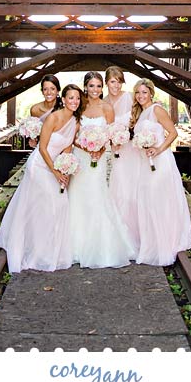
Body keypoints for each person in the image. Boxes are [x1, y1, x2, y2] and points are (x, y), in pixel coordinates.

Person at [0, 83, 82, 273]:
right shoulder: (54, 117)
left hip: (56, 165)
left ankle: (50, 250)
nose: (74, 101)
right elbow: (42, 148)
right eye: (71, 98)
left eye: (77, 98)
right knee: (46, 204)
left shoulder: (75, 122)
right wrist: (55, 171)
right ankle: (32, 249)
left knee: (60, 204)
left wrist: (65, 168)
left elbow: (67, 148)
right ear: (64, 99)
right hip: (40, 166)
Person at [67, 72, 136, 267]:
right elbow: (73, 135)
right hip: (81, 157)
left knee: (97, 195)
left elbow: (111, 133)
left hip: (99, 158)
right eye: (91, 86)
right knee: (78, 196)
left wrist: (99, 147)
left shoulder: (108, 108)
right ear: (85, 87)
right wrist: (86, 147)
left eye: (98, 86)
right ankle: (76, 245)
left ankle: (100, 245)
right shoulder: (79, 106)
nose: (95, 90)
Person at [130, 78, 191, 266]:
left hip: (161, 161)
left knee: (159, 200)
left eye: (144, 92)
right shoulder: (141, 113)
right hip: (146, 162)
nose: (141, 96)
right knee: (149, 201)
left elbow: (173, 133)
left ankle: (166, 242)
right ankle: (153, 242)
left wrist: (158, 149)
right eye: (138, 93)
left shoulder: (157, 109)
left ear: (151, 93)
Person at [106, 67, 141, 249]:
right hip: (116, 150)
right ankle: (120, 232)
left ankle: (137, 232)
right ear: (107, 83)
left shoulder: (129, 97)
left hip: (132, 149)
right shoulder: (104, 103)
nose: (117, 85)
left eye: (119, 81)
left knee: (133, 187)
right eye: (113, 81)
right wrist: (112, 140)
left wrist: (130, 134)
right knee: (119, 186)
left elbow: (139, 117)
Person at [27, 74, 62, 147]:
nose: (49, 92)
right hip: (42, 148)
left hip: (60, 147)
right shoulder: (35, 109)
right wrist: (33, 138)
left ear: (58, 91)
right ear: (42, 91)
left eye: (52, 89)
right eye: (45, 89)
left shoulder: (63, 109)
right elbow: (34, 133)